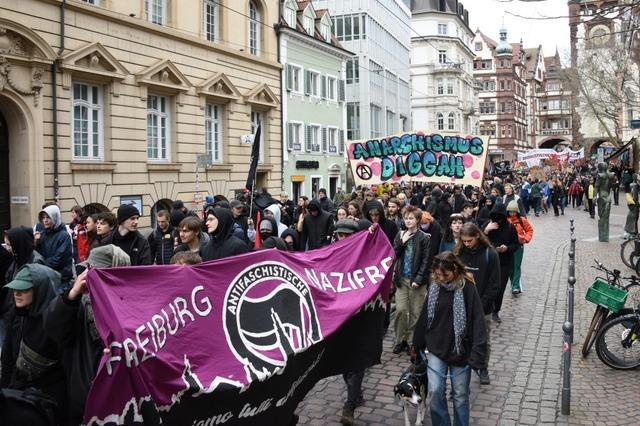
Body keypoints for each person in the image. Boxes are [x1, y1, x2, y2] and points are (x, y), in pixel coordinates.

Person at [44, 245, 130, 424]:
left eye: (93, 270)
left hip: (122, 400)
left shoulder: (132, 305)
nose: (86, 274)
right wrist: (70, 297)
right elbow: (54, 330)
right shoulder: (80, 302)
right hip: (84, 397)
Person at [412, 252, 486, 426]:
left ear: (455, 269)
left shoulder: (467, 288)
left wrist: (477, 354)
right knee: (435, 390)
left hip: (461, 350)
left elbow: (478, 321)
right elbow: (425, 317)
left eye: (445, 275)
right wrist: (417, 344)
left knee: (460, 396)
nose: (441, 278)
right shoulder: (435, 286)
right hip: (437, 347)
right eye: (438, 275)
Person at [1, 264, 66, 424]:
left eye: (24, 289)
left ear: (40, 290)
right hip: (19, 392)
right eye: (15, 288)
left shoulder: (57, 323)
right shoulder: (16, 316)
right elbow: (8, 359)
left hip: (49, 401)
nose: (16, 293)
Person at [455, 223, 500, 385]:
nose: (466, 244)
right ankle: (463, 364)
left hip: (483, 307)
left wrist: (480, 304)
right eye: (464, 241)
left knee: (483, 338)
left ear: (477, 236)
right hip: (461, 305)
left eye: (469, 241)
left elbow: (495, 284)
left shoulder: (490, 254)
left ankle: (482, 367)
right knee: (461, 336)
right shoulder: (459, 253)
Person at [392, 206, 431, 355]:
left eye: (411, 218)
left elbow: (426, 261)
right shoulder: (400, 235)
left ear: (418, 220)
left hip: (417, 282)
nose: (408, 221)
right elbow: (394, 255)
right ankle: (399, 340)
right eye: (406, 218)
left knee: (416, 313)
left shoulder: (424, 238)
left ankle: (411, 341)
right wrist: (402, 242)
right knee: (401, 310)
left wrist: (419, 279)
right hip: (402, 279)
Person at [483, 203, 519, 323]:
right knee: (486, 287)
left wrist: (507, 248)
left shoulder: (510, 227)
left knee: (500, 288)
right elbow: (478, 242)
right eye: (495, 216)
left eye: (500, 216)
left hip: (504, 263)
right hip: (488, 262)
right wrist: (487, 230)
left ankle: (495, 311)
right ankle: (485, 308)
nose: (497, 219)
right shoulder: (487, 225)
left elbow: (516, 244)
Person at [36, 204, 73, 293]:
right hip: (47, 276)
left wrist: (40, 265)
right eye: (43, 217)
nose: (45, 220)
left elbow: (57, 260)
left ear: (55, 217)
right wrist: (35, 243)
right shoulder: (42, 234)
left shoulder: (64, 236)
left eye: (48, 217)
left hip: (61, 279)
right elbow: (37, 255)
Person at [506, 201, 534, 295]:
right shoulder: (505, 220)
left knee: (517, 266)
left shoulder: (522, 220)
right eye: (510, 211)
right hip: (509, 247)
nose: (512, 213)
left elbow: (529, 230)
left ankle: (515, 286)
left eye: (513, 212)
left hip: (519, 246)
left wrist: (525, 239)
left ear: (517, 211)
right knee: (510, 266)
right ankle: (513, 281)